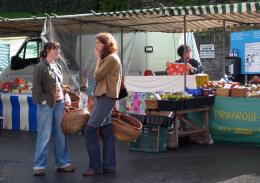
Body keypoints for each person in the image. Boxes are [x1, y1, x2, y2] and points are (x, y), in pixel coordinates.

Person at [32, 41, 75, 176]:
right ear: (48, 50)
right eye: (56, 49)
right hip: (47, 105)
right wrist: (43, 100)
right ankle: (39, 166)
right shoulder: (41, 66)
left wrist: (65, 96)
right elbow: (36, 88)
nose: (58, 52)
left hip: (59, 104)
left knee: (60, 134)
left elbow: (60, 85)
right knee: (44, 135)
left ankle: (63, 163)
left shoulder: (57, 66)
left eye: (59, 49)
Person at [83, 32, 122, 176]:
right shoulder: (110, 58)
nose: (96, 46)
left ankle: (96, 166)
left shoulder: (110, 58)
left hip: (106, 96)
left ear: (106, 44)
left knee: (89, 130)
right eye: (96, 43)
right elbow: (98, 76)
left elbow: (97, 75)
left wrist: (98, 59)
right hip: (104, 95)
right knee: (106, 130)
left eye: (98, 43)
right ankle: (109, 165)